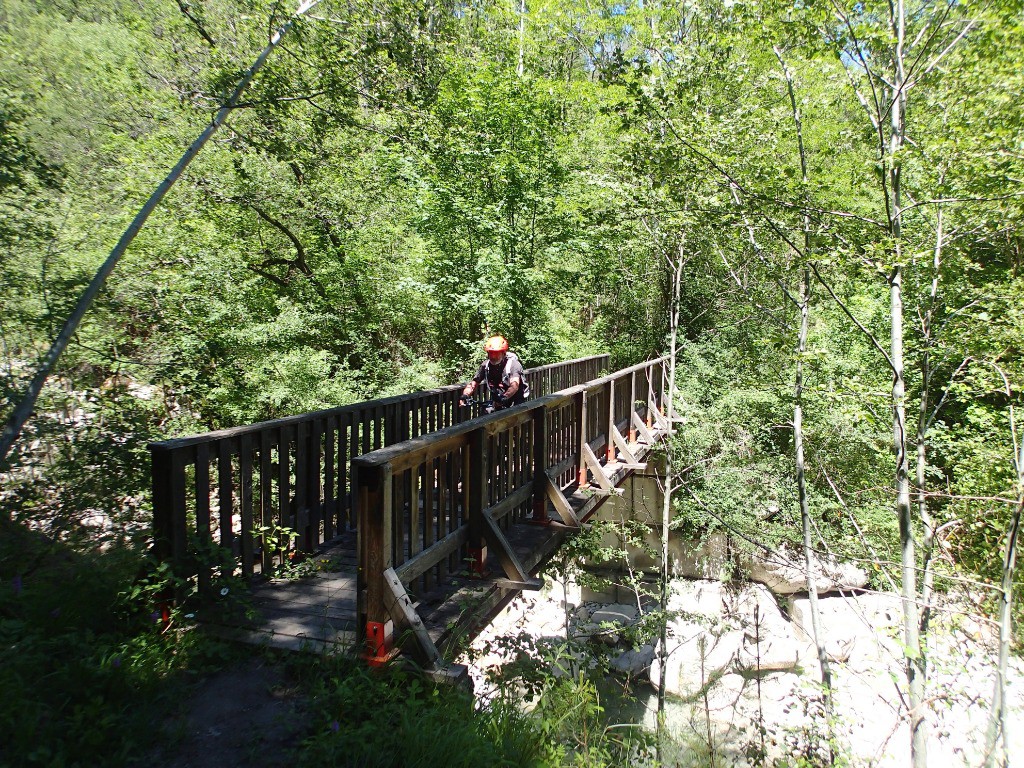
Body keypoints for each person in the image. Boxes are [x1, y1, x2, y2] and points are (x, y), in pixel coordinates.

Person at [461, 336, 531, 410]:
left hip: (517, 401)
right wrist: (465, 395)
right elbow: (474, 383)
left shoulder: (513, 365)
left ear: (503, 353)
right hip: (499, 400)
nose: (493, 356)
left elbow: (514, 386)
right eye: (491, 353)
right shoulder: (486, 366)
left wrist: (503, 398)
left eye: (496, 353)